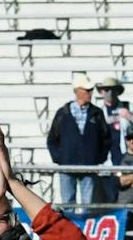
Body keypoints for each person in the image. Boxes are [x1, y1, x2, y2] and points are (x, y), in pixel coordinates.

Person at [45, 72, 111, 209]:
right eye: (87, 90)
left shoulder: (97, 113)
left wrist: (98, 158)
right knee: (68, 204)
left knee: (88, 204)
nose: (90, 93)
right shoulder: (63, 113)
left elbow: (106, 138)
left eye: (90, 90)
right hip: (67, 166)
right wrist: (59, 158)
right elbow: (52, 139)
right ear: (77, 91)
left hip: (89, 165)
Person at [94, 74, 133, 205]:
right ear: (101, 92)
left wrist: (131, 117)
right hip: (107, 160)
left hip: (126, 159)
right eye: (106, 89)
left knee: (128, 195)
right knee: (111, 196)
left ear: (117, 91)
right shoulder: (98, 111)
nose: (109, 93)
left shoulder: (127, 106)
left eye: (112, 89)